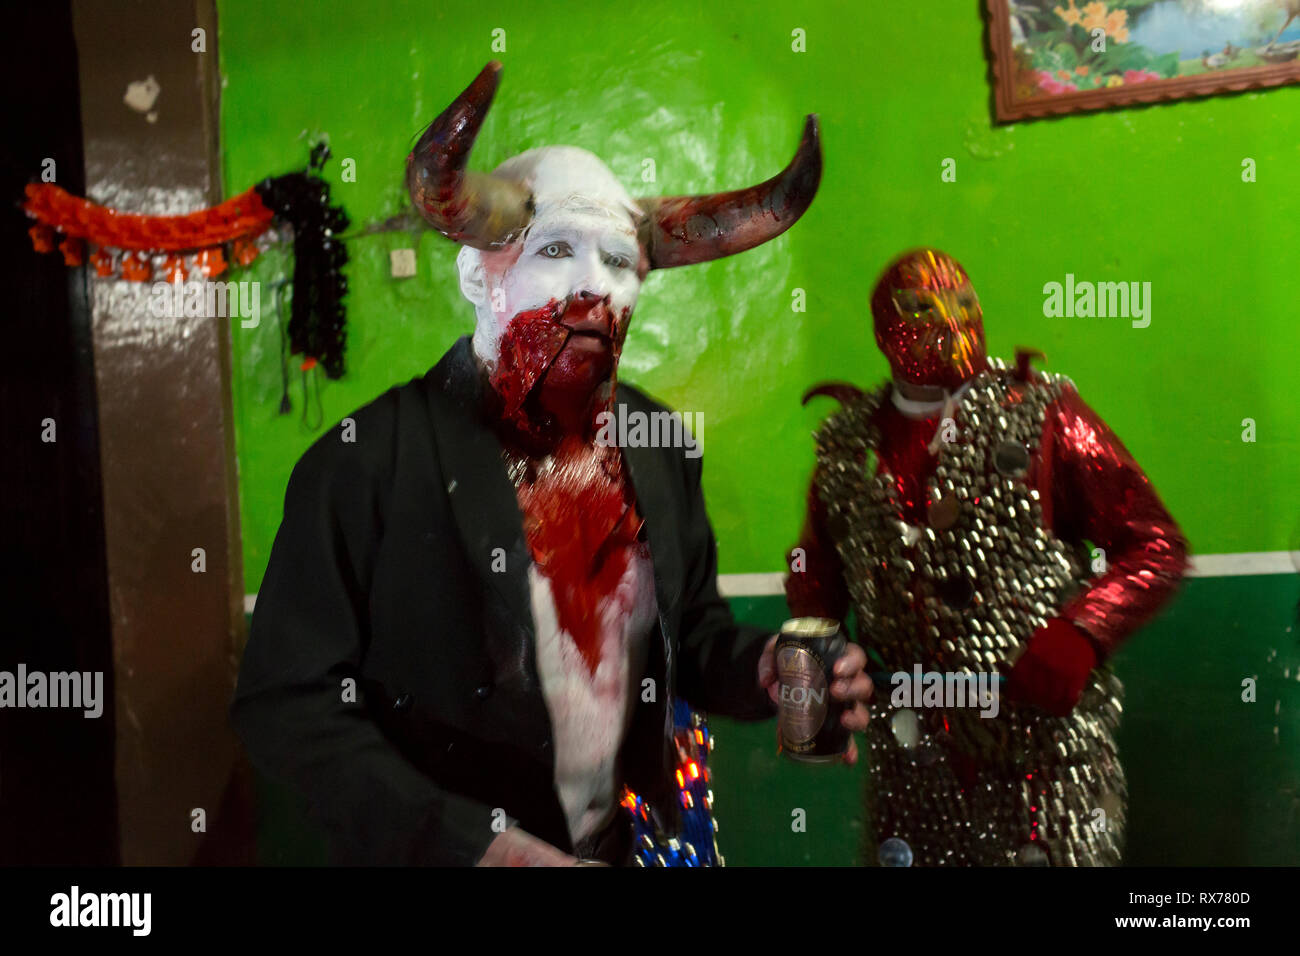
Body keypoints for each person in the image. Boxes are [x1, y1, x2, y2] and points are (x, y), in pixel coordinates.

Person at [232, 62, 873, 866]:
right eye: (558, 249)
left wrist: (764, 670)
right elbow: (289, 705)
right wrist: (481, 849)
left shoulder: (658, 442)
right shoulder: (364, 465)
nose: (591, 287)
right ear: (478, 274)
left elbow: (695, 634)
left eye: (618, 262)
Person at [785, 248, 1187, 866]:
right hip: (913, 772)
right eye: (920, 308)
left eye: (964, 303)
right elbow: (817, 583)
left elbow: (1154, 544)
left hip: (1047, 762)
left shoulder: (1043, 413)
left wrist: (1084, 631)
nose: (949, 320)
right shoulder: (848, 447)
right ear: (882, 328)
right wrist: (815, 693)